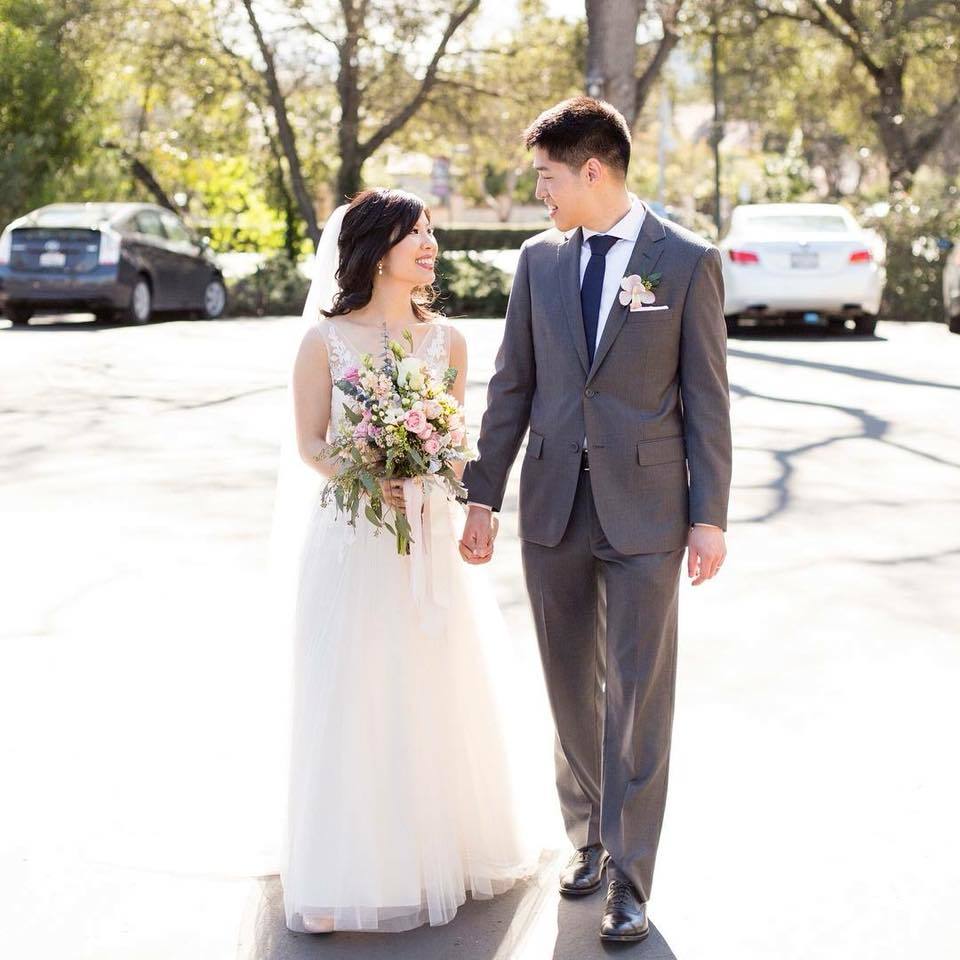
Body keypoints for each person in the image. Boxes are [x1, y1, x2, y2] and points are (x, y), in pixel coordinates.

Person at [460, 97, 732, 943]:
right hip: (552, 505)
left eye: (545, 177)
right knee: (570, 685)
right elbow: (512, 385)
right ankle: (586, 837)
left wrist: (709, 516)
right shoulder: (539, 262)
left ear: (591, 171)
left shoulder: (686, 261)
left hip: (649, 511)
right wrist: (482, 491)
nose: (537, 193)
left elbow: (706, 397)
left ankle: (630, 874)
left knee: (639, 697)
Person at [274, 188, 558, 934]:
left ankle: (442, 849)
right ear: (376, 250)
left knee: (431, 685)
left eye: (433, 233)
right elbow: (310, 444)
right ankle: (350, 866)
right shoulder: (323, 342)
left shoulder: (449, 342)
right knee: (356, 690)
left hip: (424, 536)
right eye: (416, 234)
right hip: (352, 537)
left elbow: (455, 443)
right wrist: (369, 472)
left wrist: (466, 504)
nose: (430, 246)